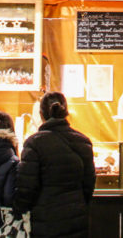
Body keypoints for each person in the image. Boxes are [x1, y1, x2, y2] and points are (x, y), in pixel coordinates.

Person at [13, 92, 95, 238]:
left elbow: (26, 188)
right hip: (76, 219)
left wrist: (20, 209)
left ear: (41, 113)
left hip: (46, 220)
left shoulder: (34, 143)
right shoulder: (84, 141)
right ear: (66, 112)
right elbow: (88, 185)